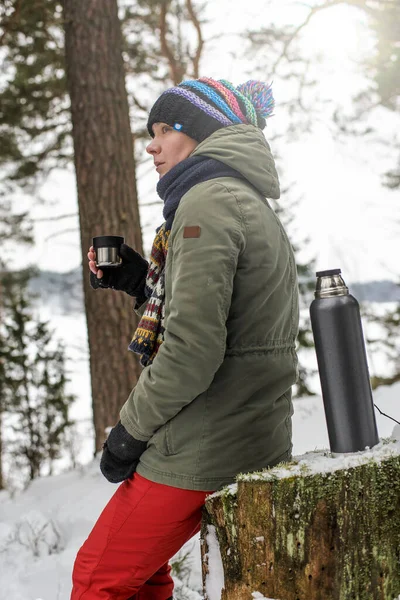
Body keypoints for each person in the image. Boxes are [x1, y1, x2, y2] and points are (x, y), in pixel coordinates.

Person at [71, 77, 299, 600]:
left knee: (98, 579)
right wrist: (137, 279)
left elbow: (192, 350)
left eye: (165, 129)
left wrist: (128, 431)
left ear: (203, 133)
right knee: (144, 573)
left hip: (206, 442)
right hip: (247, 429)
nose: (150, 145)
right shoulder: (243, 199)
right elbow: (233, 318)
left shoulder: (207, 202)